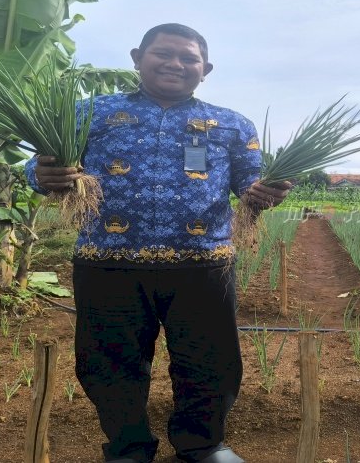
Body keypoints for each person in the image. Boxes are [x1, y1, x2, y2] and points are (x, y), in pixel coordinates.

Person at [25, 23, 290, 463]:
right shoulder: (89, 113)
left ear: (206, 69)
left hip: (204, 264)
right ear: (137, 58)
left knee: (210, 362)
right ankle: (127, 448)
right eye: (163, 54)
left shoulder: (231, 124)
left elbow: (250, 185)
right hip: (108, 261)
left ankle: (203, 445)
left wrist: (268, 193)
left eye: (189, 58)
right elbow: (36, 166)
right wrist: (40, 175)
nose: (175, 64)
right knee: (110, 364)